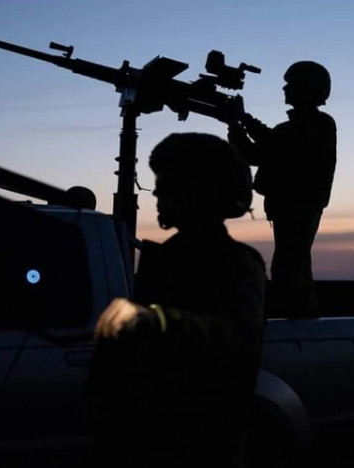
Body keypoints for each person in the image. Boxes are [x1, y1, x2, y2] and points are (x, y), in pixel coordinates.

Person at [87, 133, 266, 468]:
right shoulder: (166, 258)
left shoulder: (236, 262)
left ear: (201, 191)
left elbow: (235, 337)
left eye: (168, 183)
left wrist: (155, 321)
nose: (157, 193)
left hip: (198, 445)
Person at [225, 61, 336, 316]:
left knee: (291, 266)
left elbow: (277, 144)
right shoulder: (289, 129)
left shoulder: (320, 124)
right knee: (288, 265)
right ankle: (297, 314)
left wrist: (242, 119)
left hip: (300, 205)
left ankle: (301, 317)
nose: (285, 89)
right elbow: (256, 153)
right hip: (286, 207)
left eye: (291, 84)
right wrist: (235, 125)